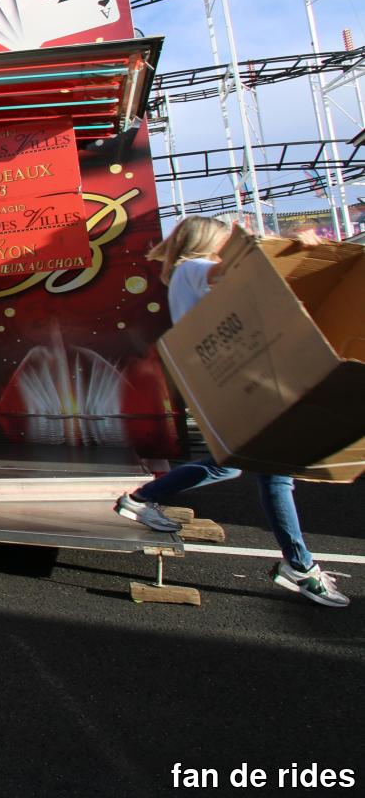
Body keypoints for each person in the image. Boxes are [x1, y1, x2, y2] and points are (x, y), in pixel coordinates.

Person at [114, 216, 348, 608]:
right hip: (242, 385)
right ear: (207, 241)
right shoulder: (194, 268)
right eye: (225, 239)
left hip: (235, 384)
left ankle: (142, 498)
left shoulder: (186, 274)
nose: (227, 246)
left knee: (234, 466)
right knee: (275, 474)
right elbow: (235, 271)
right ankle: (300, 567)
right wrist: (286, 241)